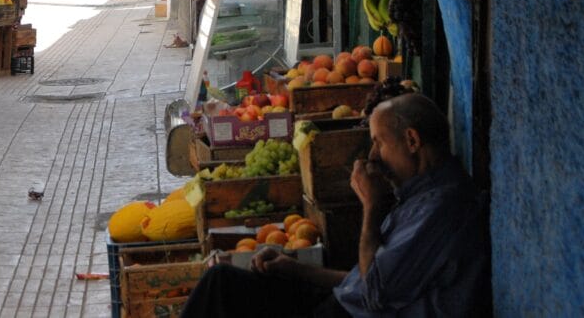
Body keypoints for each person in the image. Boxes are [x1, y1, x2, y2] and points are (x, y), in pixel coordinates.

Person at [181, 93, 489, 318]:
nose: (373, 156)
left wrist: (372, 207)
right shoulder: (418, 197)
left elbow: (375, 295)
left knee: (223, 296)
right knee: (221, 284)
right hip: (340, 306)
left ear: (411, 141)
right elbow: (361, 283)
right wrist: (293, 269)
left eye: (379, 142)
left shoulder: (441, 208)